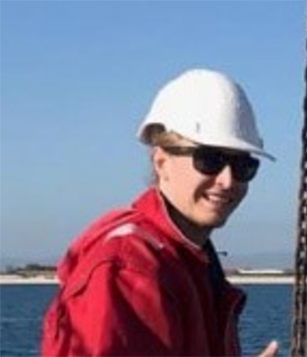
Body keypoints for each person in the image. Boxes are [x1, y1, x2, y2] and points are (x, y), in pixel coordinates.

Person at [41, 69, 280, 357]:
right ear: (162, 162)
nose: (228, 180)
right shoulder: (130, 269)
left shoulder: (186, 261)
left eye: (243, 165)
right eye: (210, 159)